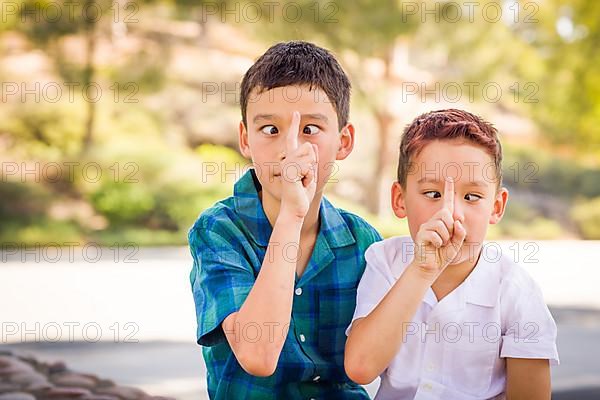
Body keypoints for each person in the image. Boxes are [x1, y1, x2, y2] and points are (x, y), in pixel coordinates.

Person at [188, 41, 381, 399]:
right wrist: (293, 215)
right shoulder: (220, 230)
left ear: (343, 141)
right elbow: (257, 356)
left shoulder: (364, 240)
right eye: (271, 130)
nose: (289, 148)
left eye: (309, 129)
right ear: (246, 139)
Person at [345, 109, 559, 399]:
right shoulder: (385, 261)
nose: (451, 213)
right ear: (399, 200)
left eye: (472, 197)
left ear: (496, 207)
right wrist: (421, 270)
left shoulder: (515, 292)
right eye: (433, 194)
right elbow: (360, 367)